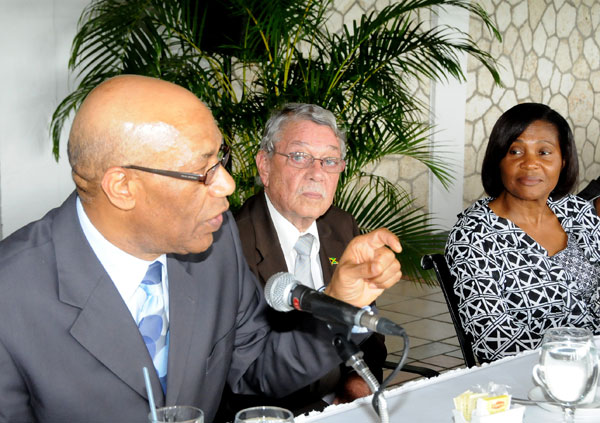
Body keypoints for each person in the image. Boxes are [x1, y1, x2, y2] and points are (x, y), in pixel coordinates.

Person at [0, 75, 403, 423]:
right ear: (123, 187)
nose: (227, 184)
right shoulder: (12, 294)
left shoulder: (215, 243)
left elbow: (259, 366)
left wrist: (339, 303)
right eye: (203, 171)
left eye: (221, 159)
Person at [224, 104, 386, 416]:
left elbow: (368, 334)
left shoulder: (341, 227)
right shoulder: (230, 245)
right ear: (265, 166)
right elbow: (244, 376)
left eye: (329, 161)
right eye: (299, 157)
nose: (317, 173)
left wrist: (356, 384)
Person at [445, 103, 600, 362]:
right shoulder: (472, 237)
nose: (530, 164)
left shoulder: (576, 212)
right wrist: (582, 356)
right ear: (498, 160)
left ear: (563, 160)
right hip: (534, 379)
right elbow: (495, 343)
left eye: (544, 152)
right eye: (515, 151)